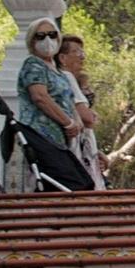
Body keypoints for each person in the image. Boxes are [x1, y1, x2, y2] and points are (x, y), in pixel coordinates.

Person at [17, 19, 94, 160]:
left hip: (61, 142)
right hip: (40, 137)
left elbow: (69, 101)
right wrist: (68, 123)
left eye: (52, 35)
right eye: (40, 36)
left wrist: (77, 123)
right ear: (31, 41)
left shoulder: (58, 72)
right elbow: (40, 97)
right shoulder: (33, 65)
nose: (47, 39)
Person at [54, 34, 109, 188]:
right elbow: (87, 118)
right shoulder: (66, 76)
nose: (82, 57)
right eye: (77, 52)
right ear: (62, 58)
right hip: (79, 150)